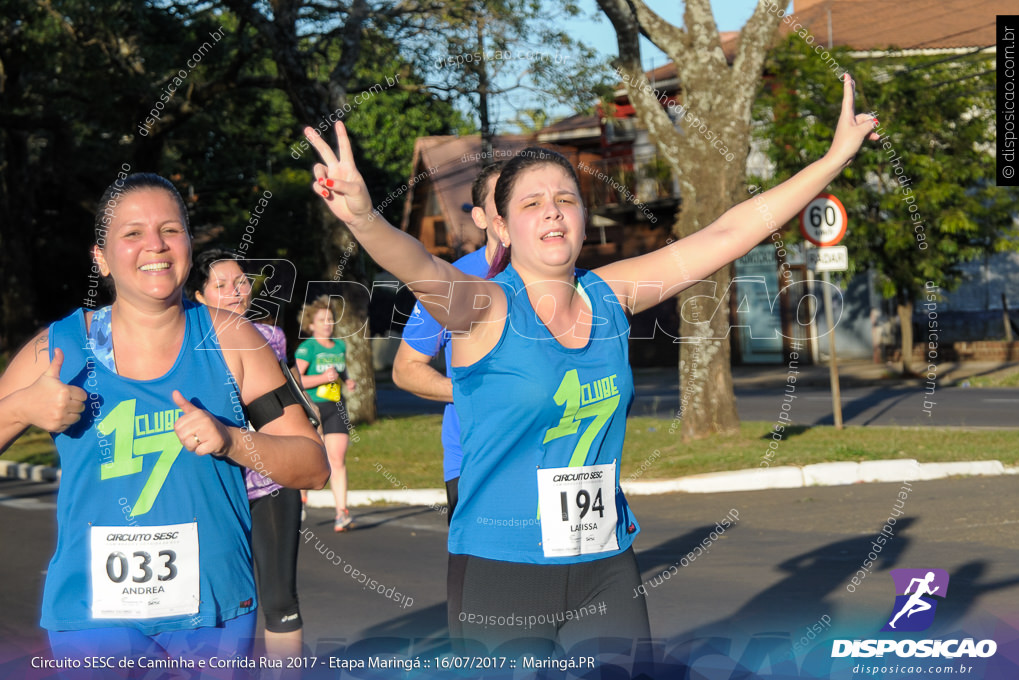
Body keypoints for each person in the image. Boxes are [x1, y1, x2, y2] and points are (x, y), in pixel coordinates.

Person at [304, 74, 877, 656]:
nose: (553, 213)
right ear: (500, 226)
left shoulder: (609, 293)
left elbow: (728, 231)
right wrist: (363, 219)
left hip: (605, 562)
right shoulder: (483, 306)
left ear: (582, 218)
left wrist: (834, 159)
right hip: (505, 566)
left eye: (566, 200)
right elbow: (419, 264)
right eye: (532, 204)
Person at [0, 173, 329, 672]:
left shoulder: (233, 340)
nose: (154, 244)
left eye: (170, 230)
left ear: (190, 247)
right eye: (132, 233)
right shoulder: (58, 348)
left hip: (214, 612)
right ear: (101, 258)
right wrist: (20, 408)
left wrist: (232, 441)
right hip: (92, 616)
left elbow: (312, 466)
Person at [186, 249, 305, 663]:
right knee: (215, 600)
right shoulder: (183, 349)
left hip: (267, 484)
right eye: (222, 286)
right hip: (213, 488)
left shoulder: (267, 337)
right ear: (198, 297)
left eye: (241, 282)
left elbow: (290, 403)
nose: (237, 292)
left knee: (278, 599)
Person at [391, 162, 504, 522]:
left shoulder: (565, 279)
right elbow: (406, 370)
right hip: (474, 460)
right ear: (481, 217)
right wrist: (469, 392)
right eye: (502, 200)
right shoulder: (453, 281)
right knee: (477, 577)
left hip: (554, 457)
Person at [295, 296, 356, 532]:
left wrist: (348, 381)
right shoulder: (307, 348)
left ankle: (342, 513)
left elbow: (341, 370)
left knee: (337, 460)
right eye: (322, 320)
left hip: (336, 406)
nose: (327, 323)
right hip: (313, 407)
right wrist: (322, 378)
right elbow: (297, 379)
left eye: (330, 319)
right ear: (311, 324)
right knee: (311, 458)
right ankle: (300, 499)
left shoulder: (339, 346)